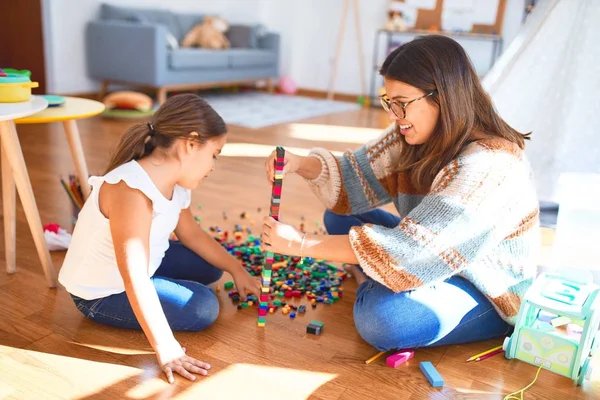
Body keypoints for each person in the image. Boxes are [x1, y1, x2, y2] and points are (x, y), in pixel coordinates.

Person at [261, 35, 540, 351]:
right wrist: (300, 163)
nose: (393, 115)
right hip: (424, 248)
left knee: (384, 319)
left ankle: (374, 278)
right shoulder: (412, 137)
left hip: (484, 286)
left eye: (402, 103)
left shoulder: (491, 165)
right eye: (389, 102)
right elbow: (354, 175)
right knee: (340, 214)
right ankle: (377, 273)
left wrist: (298, 243)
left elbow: (414, 249)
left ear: (443, 96)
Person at [59, 94, 260, 383]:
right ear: (190, 144)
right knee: (204, 306)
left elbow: (191, 234)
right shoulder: (132, 191)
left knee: (212, 266)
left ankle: (180, 287)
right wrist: (167, 348)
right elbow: (134, 279)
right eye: (214, 154)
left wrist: (237, 269)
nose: (213, 165)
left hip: (138, 268)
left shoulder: (175, 184)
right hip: (101, 293)